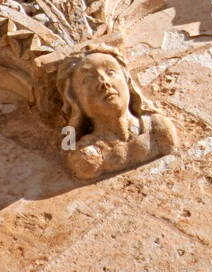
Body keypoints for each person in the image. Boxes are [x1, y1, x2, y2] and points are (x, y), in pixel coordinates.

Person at [58, 45, 176, 180]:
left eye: (110, 72)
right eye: (88, 79)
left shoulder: (157, 127)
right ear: (75, 101)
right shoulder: (86, 155)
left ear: (128, 81)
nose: (104, 82)